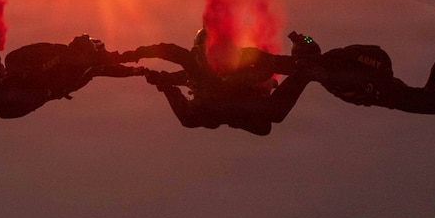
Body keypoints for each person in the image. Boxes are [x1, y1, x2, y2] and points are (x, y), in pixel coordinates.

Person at [0, 34, 147, 119]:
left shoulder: (89, 65)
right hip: (26, 93)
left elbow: (114, 65)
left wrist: (142, 70)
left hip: (25, 91)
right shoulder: (67, 57)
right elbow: (26, 66)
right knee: (6, 108)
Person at [131, 29, 313, 136]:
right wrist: (163, 82)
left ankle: (306, 73)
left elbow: (271, 64)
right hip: (228, 110)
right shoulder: (197, 69)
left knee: (270, 119)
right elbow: (180, 74)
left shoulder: (242, 59)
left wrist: (298, 67)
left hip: (236, 107)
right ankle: (305, 73)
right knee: (270, 118)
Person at [287, 31, 435, 115]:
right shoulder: (335, 57)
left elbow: (340, 78)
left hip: (388, 94)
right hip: (386, 89)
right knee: (429, 92)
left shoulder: (327, 70)